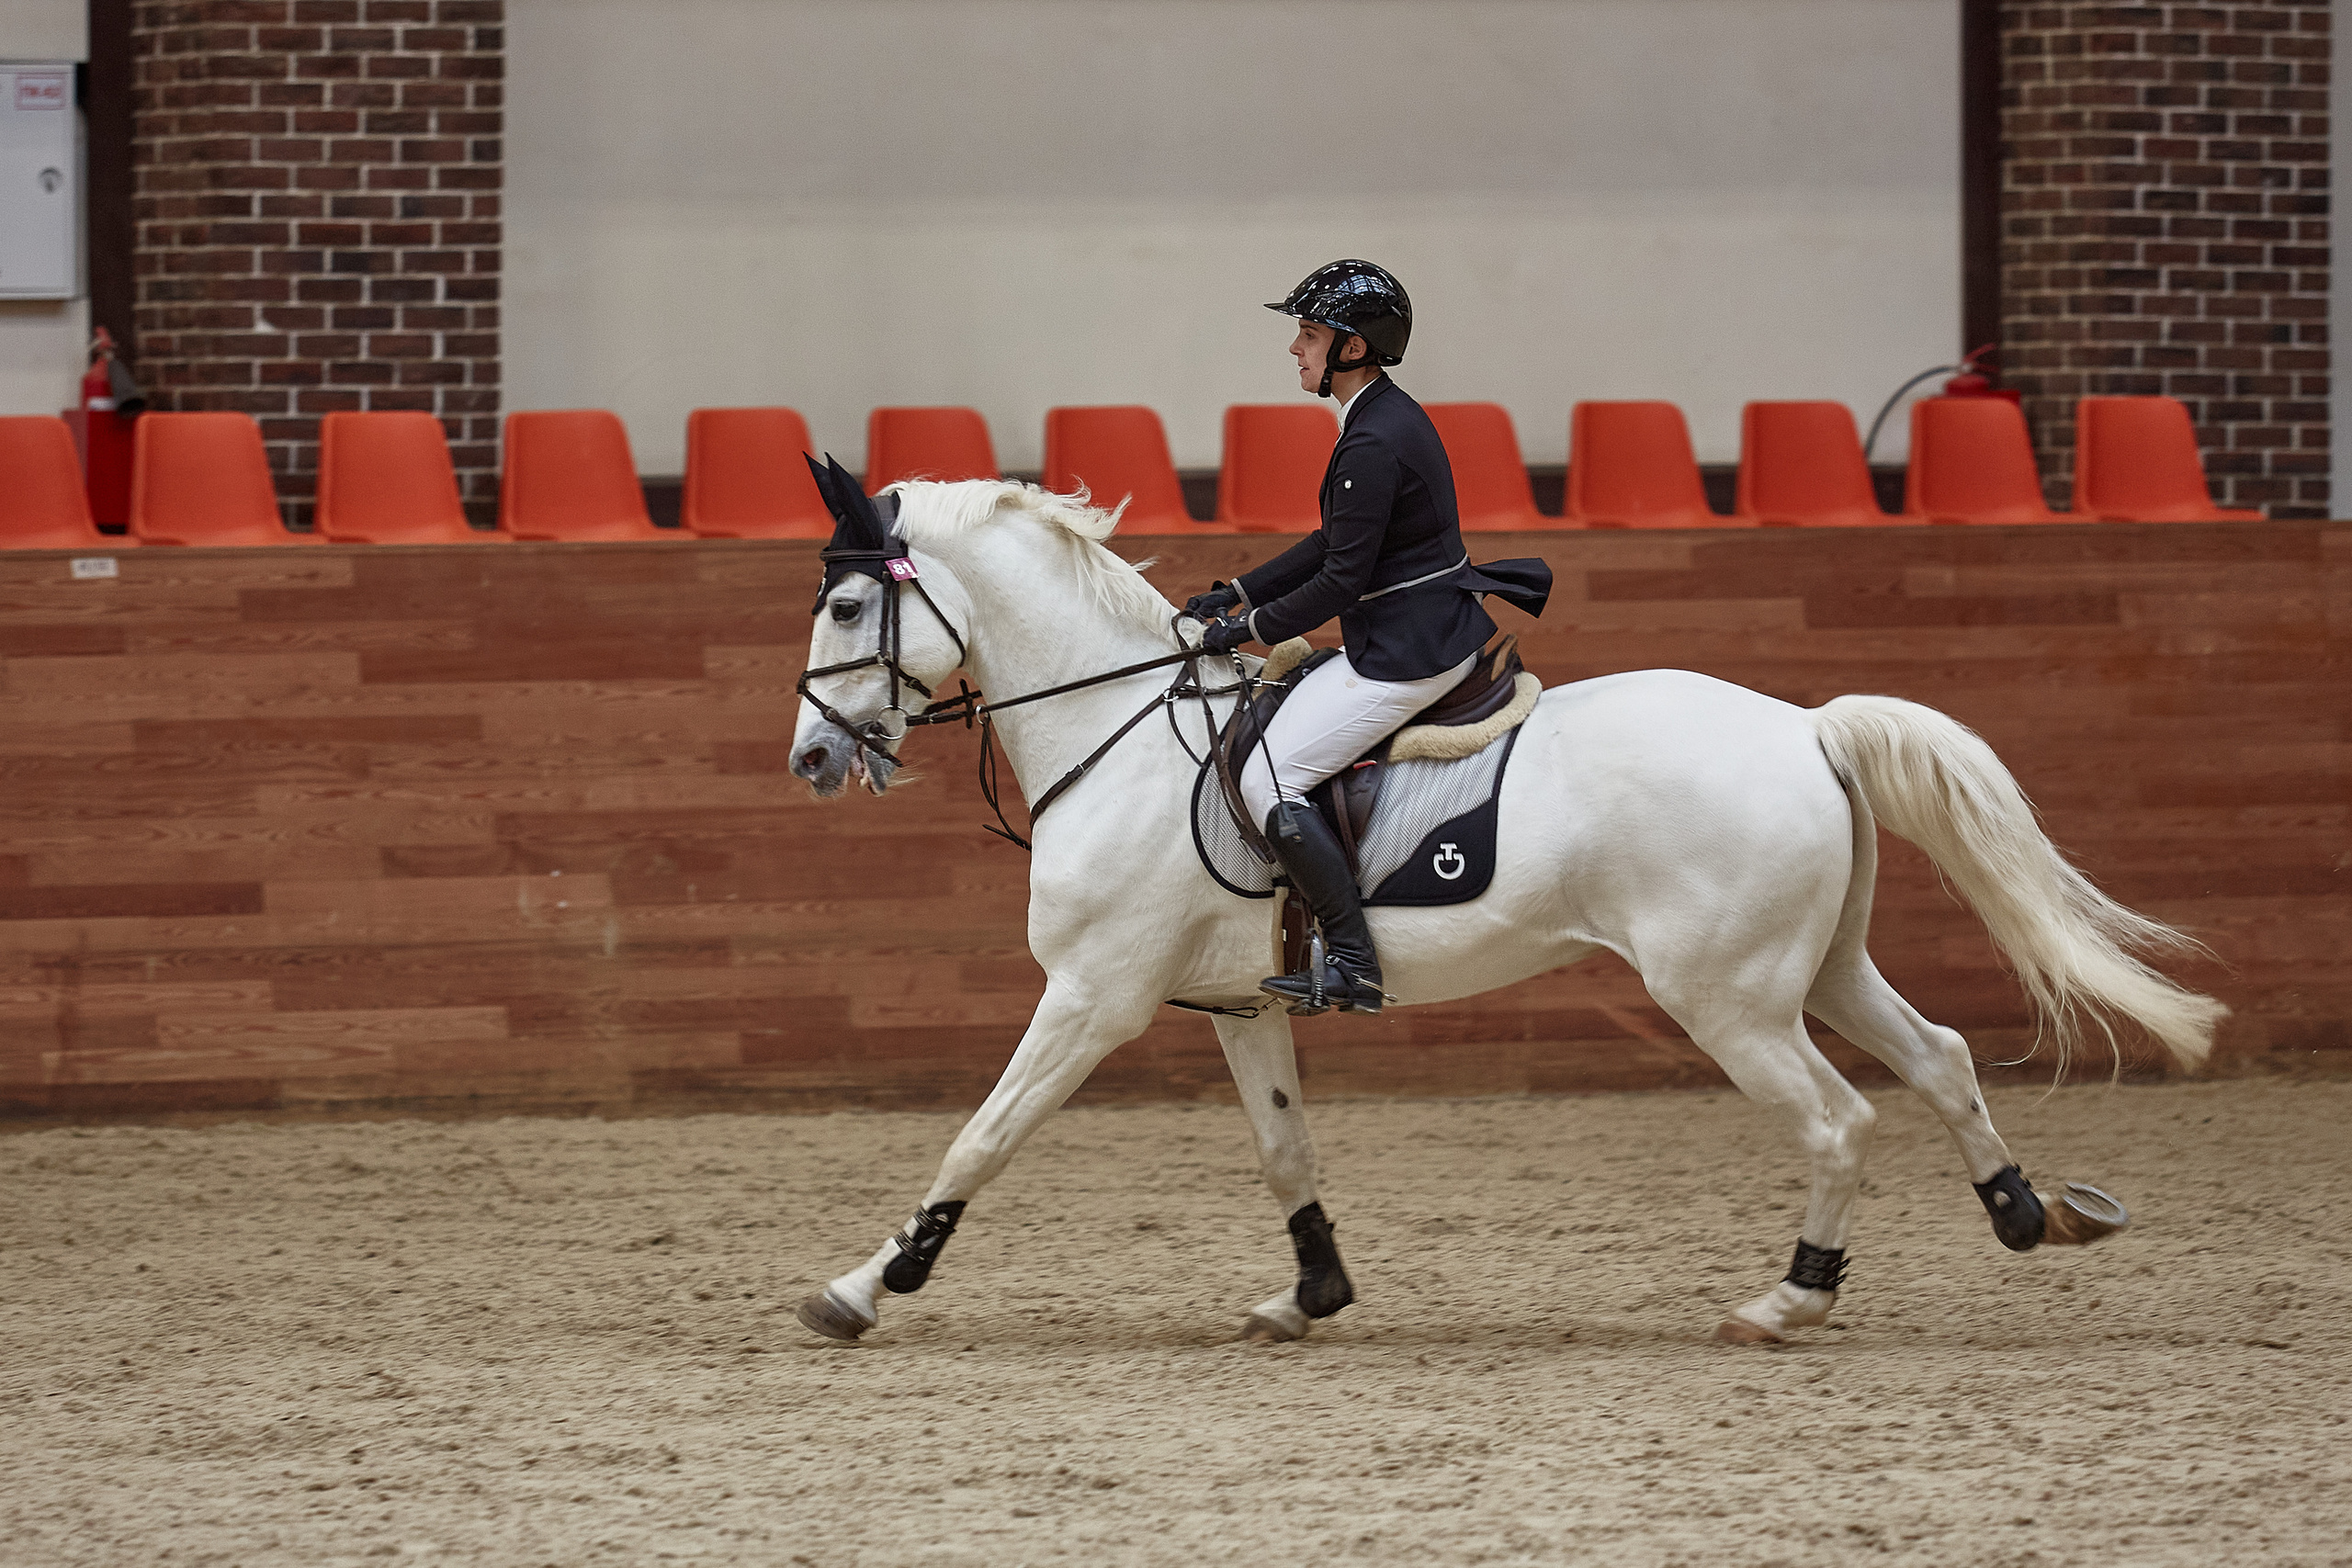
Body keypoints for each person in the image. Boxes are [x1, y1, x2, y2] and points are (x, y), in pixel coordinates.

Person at [1187, 260, 1549, 1016]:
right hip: (1411, 632)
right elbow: (1333, 543)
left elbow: (1340, 583)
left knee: (1269, 780)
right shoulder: (1380, 420)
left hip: (1406, 654)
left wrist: (1243, 631)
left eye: (1309, 333)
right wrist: (1242, 590)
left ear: (1352, 349)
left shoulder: (1374, 440)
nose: (1295, 347)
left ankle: (1354, 958)